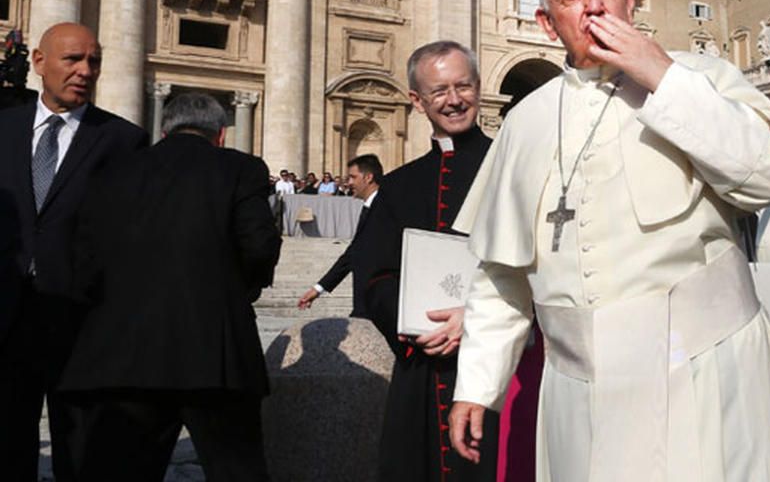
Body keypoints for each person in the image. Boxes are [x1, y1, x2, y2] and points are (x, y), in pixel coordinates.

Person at [448, 0, 770, 481]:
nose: (593, 6)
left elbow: (767, 177)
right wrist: (477, 385)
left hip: (705, 368)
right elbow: (501, 278)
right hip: (580, 390)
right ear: (548, 24)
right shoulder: (525, 122)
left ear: (630, 3)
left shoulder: (701, 77)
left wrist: (660, 74)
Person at [59, 92, 281, 481]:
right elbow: (259, 245)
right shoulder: (241, 168)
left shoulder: (114, 170)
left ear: (164, 130)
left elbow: (84, 256)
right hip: (216, 353)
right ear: (222, 135)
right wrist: (237, 290)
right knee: (236, 471)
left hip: (123, 354)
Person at [0, 22, 147, 481]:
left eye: (94, 61)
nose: (85, 70)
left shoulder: (124, 140)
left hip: (80, 322)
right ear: (39, 62)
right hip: (5, 316)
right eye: (72, 59)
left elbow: (129, 238)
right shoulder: (3, 127)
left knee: (81, 451)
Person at [356, 41, 500, 482]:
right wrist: (418, 326)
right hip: (422, 368)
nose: (454, 100)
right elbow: (374, 276)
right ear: (417, 100)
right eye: (439, 91)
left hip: (500, 364)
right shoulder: (398, 186)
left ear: (478, 89)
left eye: (463, 86)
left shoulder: (512, 165)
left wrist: (477, 317)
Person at [297, 154, 383, 311]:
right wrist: (318, 288)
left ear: (368, 177)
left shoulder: (385, 208)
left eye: (352, 177)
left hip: (380, 300)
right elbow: (353, 253)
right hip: (367, 300)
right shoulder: (369, 207)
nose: (349, 183)